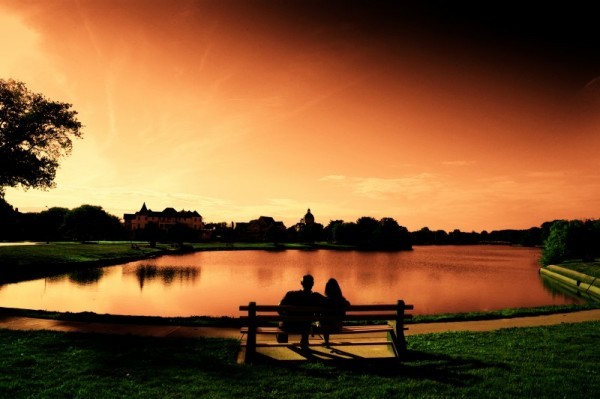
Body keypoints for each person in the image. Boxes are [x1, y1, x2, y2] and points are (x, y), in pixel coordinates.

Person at [278, 274, 326, 349]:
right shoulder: (316, 297)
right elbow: (330, 303)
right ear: (313, 284)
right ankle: (304, 340)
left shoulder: (291, 294)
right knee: (309, 323)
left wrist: (285, 316)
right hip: (306, 326)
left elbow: (279, 308)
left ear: (301, 283)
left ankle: (283, 343)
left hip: (289, 326)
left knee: (282, 322)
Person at [319, 278, 350, 347]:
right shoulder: (341, 300)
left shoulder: (325, 301)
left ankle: (326, 341)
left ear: (327, 289)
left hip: (326, 327)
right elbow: (348, 304)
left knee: (323, 321)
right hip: (337, 327)